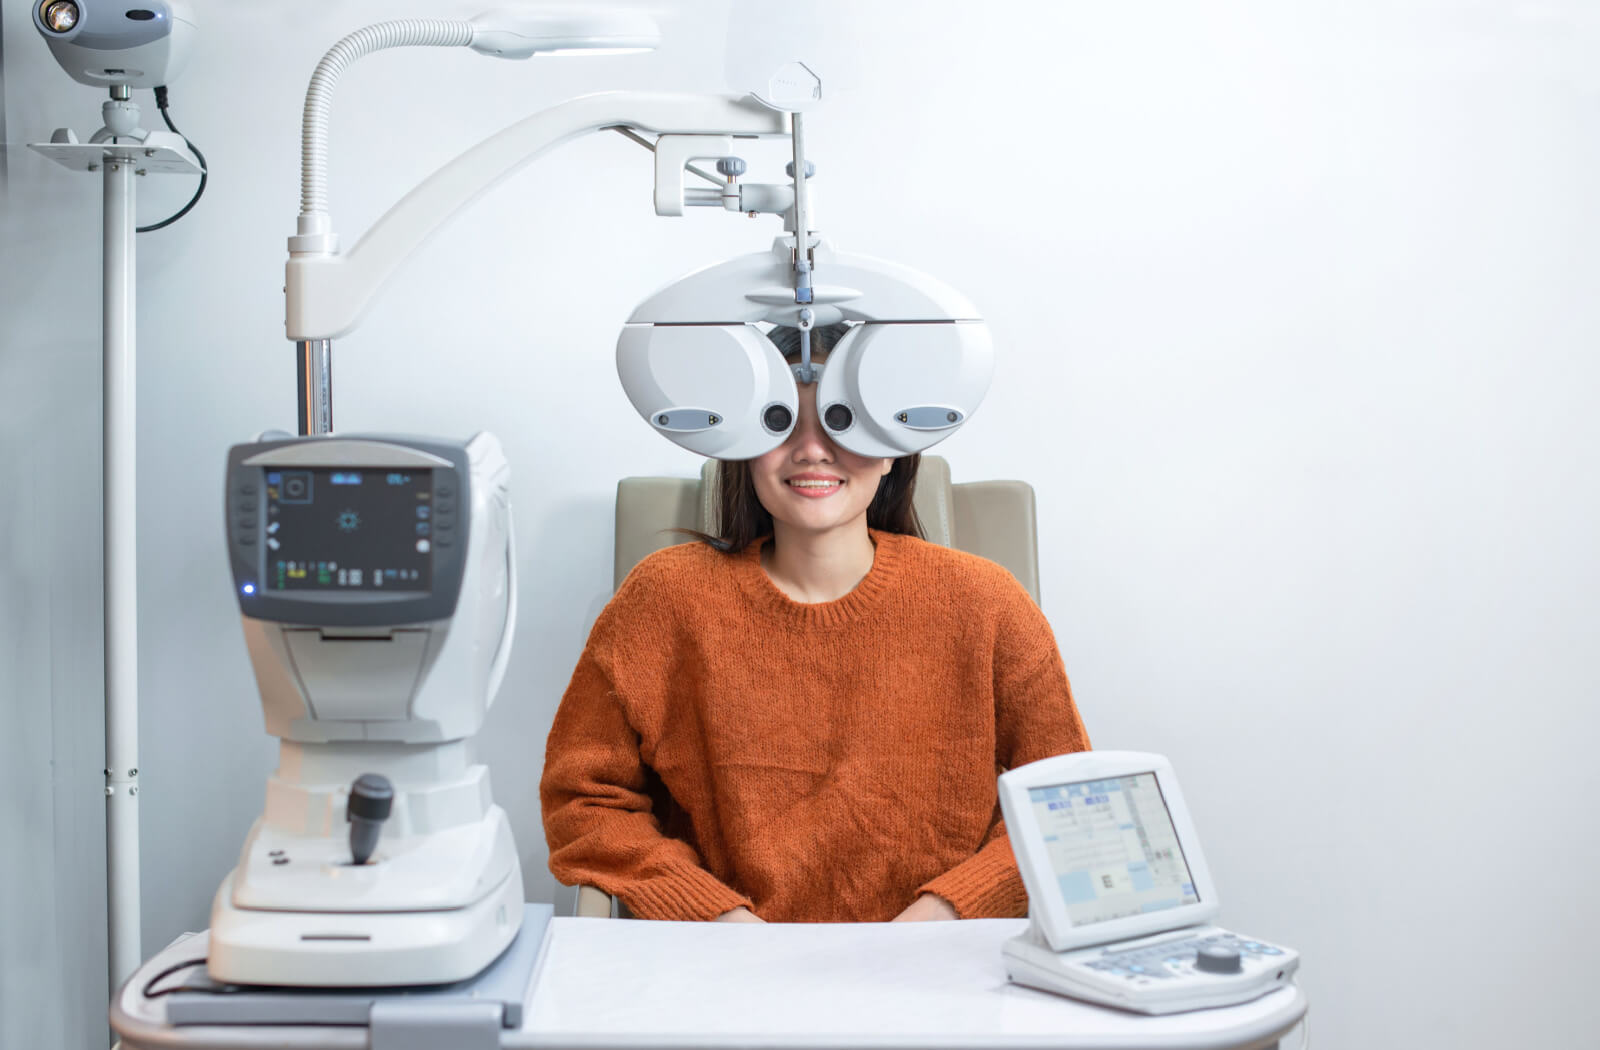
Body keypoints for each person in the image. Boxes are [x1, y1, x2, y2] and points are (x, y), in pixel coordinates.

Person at [540, 325, 1090, 923]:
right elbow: (585, 800)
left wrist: (946, 913)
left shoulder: (986, 602)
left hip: (940, 967)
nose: (812, 449)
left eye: (841, 422)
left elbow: (1067, 805)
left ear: (891, 446)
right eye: (780, 423)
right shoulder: (665, 598)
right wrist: (713, 917)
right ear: (744, 444)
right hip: (726, 968)